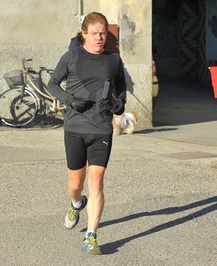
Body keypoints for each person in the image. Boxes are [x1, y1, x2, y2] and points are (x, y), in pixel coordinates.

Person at [47, 12, 127, 255]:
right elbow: (51, 84)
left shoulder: (113, 59)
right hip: (74, 127)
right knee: (75, 184)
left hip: (101, 127)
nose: (100, 38)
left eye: (103, 33)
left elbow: (121, 85)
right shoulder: (71, 57)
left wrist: (120, 104)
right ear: (84, 34)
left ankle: (91, 236)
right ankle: (76, 204)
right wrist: (69, 100)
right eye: (94, 33)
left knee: (96, 182)